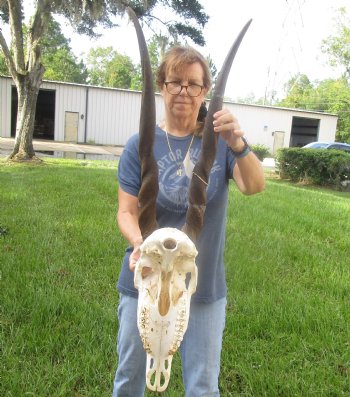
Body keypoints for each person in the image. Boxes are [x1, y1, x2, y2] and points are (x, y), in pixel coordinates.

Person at [112, 45, 265, 397]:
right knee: (129, 377)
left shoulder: (222, 143)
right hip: (145, 279)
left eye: (193, 84)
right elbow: (126, 211)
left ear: (205, 91)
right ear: (162, 87)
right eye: (175, 82)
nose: (183, 91)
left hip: (202, 285)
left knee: (202, 386)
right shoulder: (140, 144)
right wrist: (140, 244)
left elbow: (254, 186)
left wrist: (238, 144)